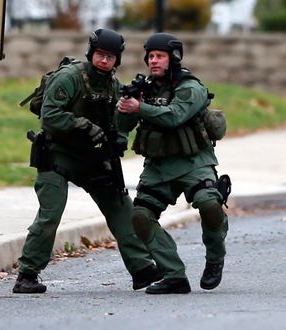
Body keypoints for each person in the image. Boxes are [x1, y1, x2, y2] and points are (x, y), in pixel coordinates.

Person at [13, 28, 161, 294]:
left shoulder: (114, 86)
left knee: (120, 207)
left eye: (111, 57)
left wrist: (120, 134)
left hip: (91, 158)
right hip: (57, 154)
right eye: (100, 55)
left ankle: (141, 269)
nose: (105, 61)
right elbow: (50, 116)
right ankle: (27, 274)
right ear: (91, 53)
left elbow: (119, 122)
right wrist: (83, 125)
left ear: (118, 60)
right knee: (50, 214)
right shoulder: (70, 77)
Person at [117, 32, 229, 294]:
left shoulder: (190, 87)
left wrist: (140, 108)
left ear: (174, 58)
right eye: (150, 57)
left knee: (209, 203)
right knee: (141, 217)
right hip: (158, 165)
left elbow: (174, 116)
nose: (153, 61)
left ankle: (215, 258)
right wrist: (125, 107)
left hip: (193, 162)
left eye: (160, 56)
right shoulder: (144, 89)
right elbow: (122, 126)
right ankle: (174, 275)